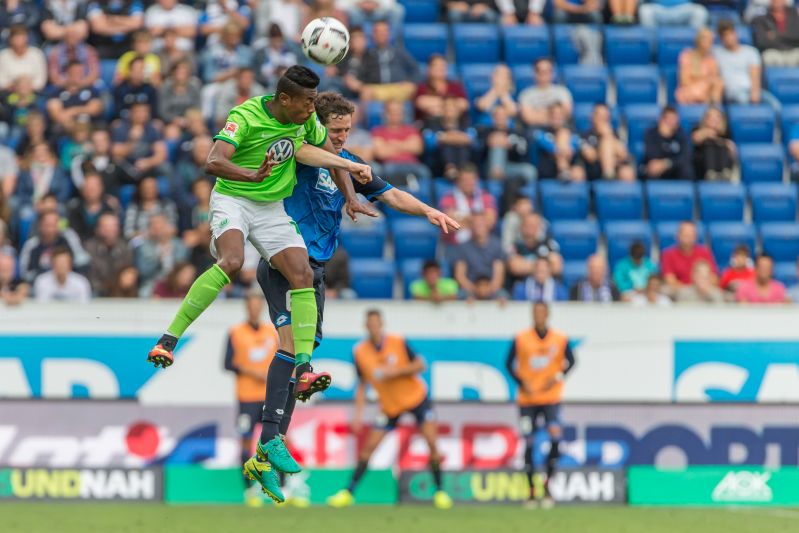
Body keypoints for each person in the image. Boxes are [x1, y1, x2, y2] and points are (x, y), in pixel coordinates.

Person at [149, 67, 375, 499]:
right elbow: (212, 161)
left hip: (271, 209)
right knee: (232, 261)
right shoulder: (247, 116)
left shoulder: (305, 120)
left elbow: (323, 151)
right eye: (307, 104)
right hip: (235, 196)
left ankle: (303, 373)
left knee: (302, 273)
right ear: (285, 99)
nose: (313, 111)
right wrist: (251, 175)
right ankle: (168, 339)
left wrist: (348, 188)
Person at [251, 93, 458, 502]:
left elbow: (392, 194)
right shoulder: (302, 152)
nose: (343, 137)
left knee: (302, 356)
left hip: (315, 272)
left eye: (348, 129)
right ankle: (266, 444)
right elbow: (304, 149)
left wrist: (428, 211)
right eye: (337, 129)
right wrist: (344, 168)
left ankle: (272, 446)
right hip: (287, 262)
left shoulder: (348, 165)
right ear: (318, 125)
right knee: (293, 350)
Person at [327, 309, 453, 510]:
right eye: (370, 324)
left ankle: (440, 492)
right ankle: (348, 493)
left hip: (417, 399)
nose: (374, 327)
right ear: (366, 326)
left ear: (382, 324)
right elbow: (361, 385)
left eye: (377, 323)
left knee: (432, 443)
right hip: (390, 406)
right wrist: (357, 415)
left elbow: (421, 365)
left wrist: (395, 372)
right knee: (369, 448)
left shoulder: (398, 341)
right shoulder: (360, 351)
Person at [506, 302, 576, 508]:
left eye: (542, 313)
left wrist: (557, 377)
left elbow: (571, 362)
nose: (539, 316)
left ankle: (547, 485)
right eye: (535, 313)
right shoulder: (521, 338)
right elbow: (508, 364)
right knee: (529, 442)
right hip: (527, 400)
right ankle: (530, 491)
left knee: (555, 438)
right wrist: (521, 382)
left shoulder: (560, 338)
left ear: (548, 315)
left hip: (551, 398)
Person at [223, 291, 280, 507]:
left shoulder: (271, 332)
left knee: (275, 442)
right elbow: (227, 363)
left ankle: (279, 487)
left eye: (258, 305)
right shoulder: (235, 332)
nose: (255, 309)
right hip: (246, 397)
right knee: (246, 442)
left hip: (269, 397)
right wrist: (249, 371)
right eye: (251, 305)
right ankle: (249, 491)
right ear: (247, 308)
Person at [714, 19, 780, 109]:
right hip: (733, 92)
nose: (729, 38)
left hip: (751, 89)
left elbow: (755, 75)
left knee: (775, 106)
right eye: (725, 35)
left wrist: (755, 92)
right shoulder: (717, 53)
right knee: (743, 100)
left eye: (731, 33)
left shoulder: (750, 51)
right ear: (721, 39)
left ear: (736, 34)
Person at [371, 100, 432, 183]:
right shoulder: (378, 131)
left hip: (413, 165)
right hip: (390, 166)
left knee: (425, 172)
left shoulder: (411, 130)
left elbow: (418, 148)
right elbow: (381, 153)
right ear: (385, 114)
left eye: (399, 111)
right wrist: (406, 145)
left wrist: (392, 144)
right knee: (388, 171)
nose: (396, 114)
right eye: (392, 111)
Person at [358, 21, 418, 102]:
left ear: (389, 34)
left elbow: (415, 69)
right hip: (377, 88)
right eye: (378, 31)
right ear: (373, 35)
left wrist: (410, 81)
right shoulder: (367, 53)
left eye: (384, 31)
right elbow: (360, 72)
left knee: (411, 88)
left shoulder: (399, 51)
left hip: (397, 87)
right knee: (366, 91)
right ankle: (363, 115)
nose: (381, 34)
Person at [439, 164, 498, 245]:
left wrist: (460, 217)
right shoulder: (448, 197)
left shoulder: (485, 196)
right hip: (454, 246)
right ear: (458, 181)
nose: (468, 183)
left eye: (471, 179)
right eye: (465, 180)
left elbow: (490, 222)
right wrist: (478, 221)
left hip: (480, 245)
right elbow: (450, 226)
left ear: (476, 179)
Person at [111, 102, 168, 181]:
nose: (142, 114)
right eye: (138, 111)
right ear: (131, 113)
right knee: (115, 164)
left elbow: (161, 154)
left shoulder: (152, 128)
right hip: (127, 166)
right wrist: (131, 141)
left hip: (148, 166)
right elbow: (115, 152)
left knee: (166, 167)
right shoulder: (121, 127)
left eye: (145, 111)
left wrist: (148, 162)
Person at [453, 213, 506, 300]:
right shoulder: (462, 247)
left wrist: (488, 289)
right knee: (460, 296)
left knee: (503, 296)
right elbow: (460, 276)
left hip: (491, 289)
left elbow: (498, 277)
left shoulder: (497, 246)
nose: (478, 227)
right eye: (475, 224)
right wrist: (475, 290)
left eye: (480, 224)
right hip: (470, 289)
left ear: (487, 225)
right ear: (471, 227)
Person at [479, 105, 536, 184]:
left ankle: (500, 178)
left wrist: (510, 146)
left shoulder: (516, 133)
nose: (500, 118)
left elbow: (523, 153)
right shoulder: (485, 131)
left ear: (508, 117)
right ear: (493, 117)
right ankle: (496, 179)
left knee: (530, 171)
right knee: (497, 144)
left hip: (509, 167)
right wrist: (488, 143)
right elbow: (477, 153)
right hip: (489, 167)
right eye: (497, 115)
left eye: (503, 115)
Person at [580, 103, 635, 181]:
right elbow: (590, 157)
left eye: (605, 116)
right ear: (592, 117)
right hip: (594, 170)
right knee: (606, 143)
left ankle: (610, 176)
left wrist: (608, 135)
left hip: (616, 168)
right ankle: (608, 175)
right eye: (600, 116)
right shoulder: (584, 135)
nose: (603, 119)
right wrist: (607, 154)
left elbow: (623, 154)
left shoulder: (614, 134)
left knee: (627, 173)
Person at [84, 212, 134, 296]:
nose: (110, 230)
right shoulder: (89, 248)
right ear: (98, 229)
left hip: (118, 290)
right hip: (95, 290)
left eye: (113, 226)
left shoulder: (124, 248)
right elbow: (89, 275)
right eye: (106, 227)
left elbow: (127, 271)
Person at [661, 221, 718, 293]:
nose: (688, 237)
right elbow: (669, 279)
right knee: (665, 290)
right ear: (677, 235)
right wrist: (688, 291)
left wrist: (702, 286)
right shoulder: (668, 254)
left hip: (702, 291)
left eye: (691, 235)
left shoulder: (705, 253)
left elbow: (714, 278)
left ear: (696, 236)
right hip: (679, 292)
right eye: (685, 234)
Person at [533, 103, 585, 181]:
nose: (556, 116)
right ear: (548, 116)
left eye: (560, 114)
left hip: (569, 167)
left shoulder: (572, 134)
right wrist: (560, 146)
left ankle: (564, 172)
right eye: (553, 113)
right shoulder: (540, 132)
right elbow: (548, 145)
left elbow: (575, 146)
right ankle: (563, 170)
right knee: (562, 134)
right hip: (547, 168)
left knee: (578, 172)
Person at [45, 61, 104, 130]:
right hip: (66, 129)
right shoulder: (57, 93)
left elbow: (94, 109)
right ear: (67, 73)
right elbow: (57, 115)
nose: (79, 75)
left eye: (81, 72)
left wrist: (72, 111)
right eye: (75, 72)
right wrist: (84, 110)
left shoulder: (91, 91)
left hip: (90, 127)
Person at [642, 106, 694, 181]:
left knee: (686, 170)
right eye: (670, 119)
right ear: (662, 120)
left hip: (674, 168)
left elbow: (685, 156)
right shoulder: (651, 133)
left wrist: (667, 163)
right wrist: (663, 135)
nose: (674, 122)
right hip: (657, 169)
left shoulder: (681, 134)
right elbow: (651, 155)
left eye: (675, 119)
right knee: (653, 168)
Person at [507, 213, 563, 281]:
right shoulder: (515, 245)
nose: (530, 228)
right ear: (521, 226)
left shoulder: (548, 243)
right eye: (527, 224)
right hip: (522, 287)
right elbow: (515, 267)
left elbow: (556, 267)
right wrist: (544, 266)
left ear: (539, 226)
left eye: (534, 225)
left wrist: (525, 265)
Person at [414, 55, 468, 125]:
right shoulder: (422, 87)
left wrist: (437, 108)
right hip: (428, 126)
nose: (440, 68)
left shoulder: (455, 86)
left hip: (453, 125)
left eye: (443, 65)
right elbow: (421, 102)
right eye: (436, 65)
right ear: (429, 68)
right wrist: (450, 106)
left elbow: (464, 104)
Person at [519, 58, 573, 128]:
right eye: (541, 71)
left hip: (561, 128)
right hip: (535, 130)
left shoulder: (562, 91)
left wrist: (538, 113)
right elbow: (528, 118)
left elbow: (567, 113)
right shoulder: (526, 94)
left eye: (548, 71)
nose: (545, 75)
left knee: (564, 133)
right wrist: (554, 114)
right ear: (535, 73)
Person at [676, 28, 724, 105]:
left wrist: (704, 83)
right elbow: (684, 81)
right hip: (689, 92)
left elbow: (714, 80)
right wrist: (704, 83)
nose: (708, 43)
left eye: (710, 41)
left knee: (718, 83)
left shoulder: (711, 60)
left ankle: (714, 108)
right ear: (698, 41)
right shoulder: (687, 55)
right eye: (705, 40)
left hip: (705, 94)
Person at [65, 172, 118, 241]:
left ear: (101, 188)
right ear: (82, 190)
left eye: (94, 186)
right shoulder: (74, 209)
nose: (91, 190)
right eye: (88, 187)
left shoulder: (109, 209)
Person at [123, 176, 178, 240]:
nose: (148, 190)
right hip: (141, 243)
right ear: (140, 190)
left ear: (157, 189)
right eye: (145, 188)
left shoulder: (166, 205)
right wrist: (148, 234)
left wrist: (158, 233)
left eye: (151, 187)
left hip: (164, 241)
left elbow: (173, 229)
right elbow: (128, 232)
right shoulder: (133, 208)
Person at [46, 24, 99, 89]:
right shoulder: (55, 52)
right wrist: (68, 85)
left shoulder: (89, 51)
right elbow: (53, 76)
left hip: (85, 84)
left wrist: (79, 84)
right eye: (69, 35)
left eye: (74, 35)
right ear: (64, 37)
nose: (72, 38)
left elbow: (94, 73)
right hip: (63, 86)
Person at [691, 107, 736, 182]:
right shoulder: (697, 128)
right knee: (710, 144)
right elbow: (695, 138)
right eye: (711, 116)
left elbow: (731, 146)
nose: (714, 119)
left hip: (721, 167)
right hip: (701, 168)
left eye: (717, 117)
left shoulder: (725, 133)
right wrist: (709, 134)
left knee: (723, 148)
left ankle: (725, 173)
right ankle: (711, 173)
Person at [752, 0, 799, 67]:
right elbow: (761, 41)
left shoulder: (795, 15)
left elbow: (797, 36)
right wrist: (788, 37)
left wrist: (776, 35)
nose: (777, 1)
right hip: (774, 52)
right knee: (767, 57)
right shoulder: (761, 18)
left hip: (793, 51)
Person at [0, 26, 47, 91]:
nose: (19, 39)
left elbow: (40, 80)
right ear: (10, 39)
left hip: (34, 93)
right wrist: (17, 86)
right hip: (8, 93)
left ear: (27, 38)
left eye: (21, 36)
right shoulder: (3, 55)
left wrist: (25, 87)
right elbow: (1, 81)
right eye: (16, 36)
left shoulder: (36, 54)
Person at [638, 0, 708, 28]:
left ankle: (693, 48)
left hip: (684, 9)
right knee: (645, 10)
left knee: (700, 11)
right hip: (659, 9)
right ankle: (652, 49)